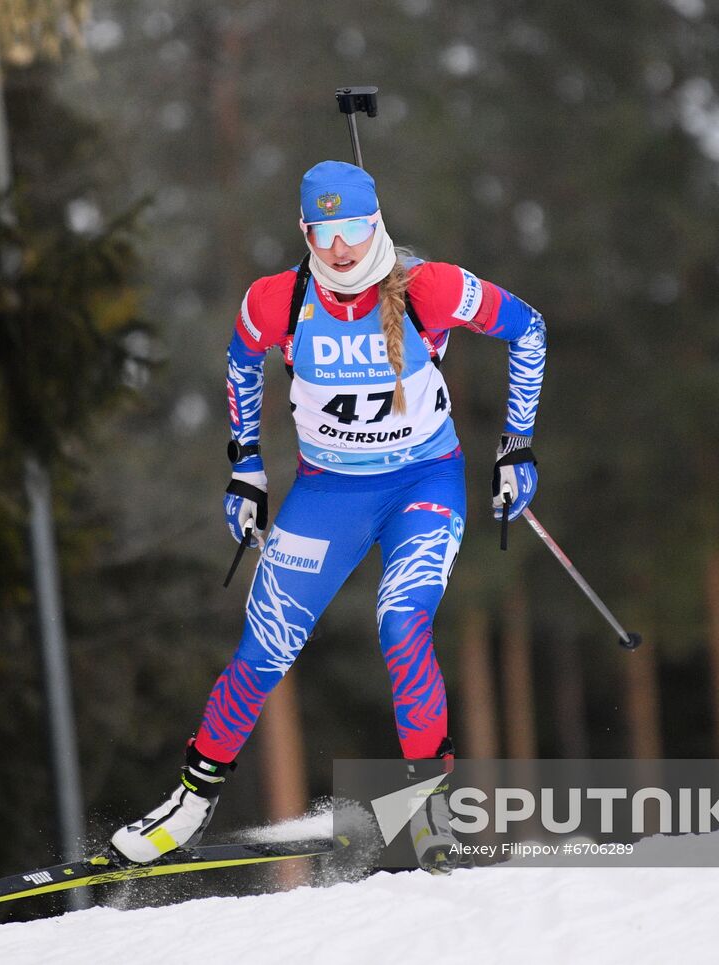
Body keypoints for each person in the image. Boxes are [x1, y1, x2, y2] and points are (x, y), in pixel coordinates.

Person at [110, 160, 546, 869]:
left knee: (402, 623)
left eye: (354, 229)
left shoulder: (428, 287)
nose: (341, 248)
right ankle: (190, 802)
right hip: (328, 493)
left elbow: (529, 329)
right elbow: (238, 363)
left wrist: (516, 445)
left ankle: (429, 814)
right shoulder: (277, 302)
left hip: (422, 485)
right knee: (264, 647)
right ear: (305, 231)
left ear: (375, 223)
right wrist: (246, 465)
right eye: (324, 230)